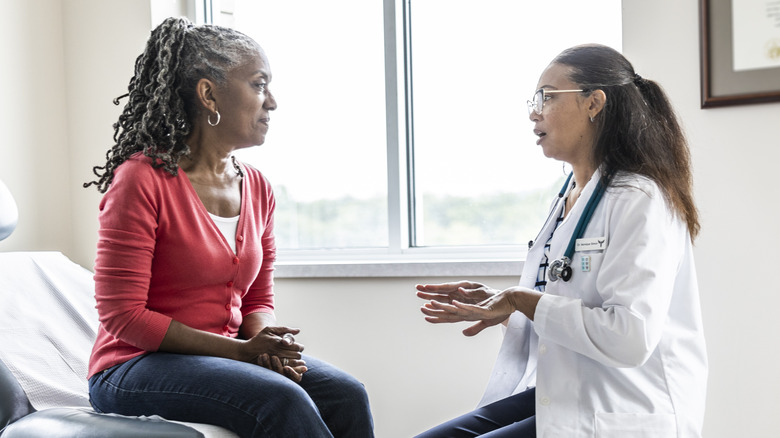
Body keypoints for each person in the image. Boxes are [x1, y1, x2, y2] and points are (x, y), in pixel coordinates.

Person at [83, 17, 374, 438]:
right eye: (258, 84)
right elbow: (122, 316)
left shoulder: (257, 186)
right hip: (132, 366)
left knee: (347, 394)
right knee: (281, 398)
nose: (271, 102)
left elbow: (257, 296)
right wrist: (241, 352)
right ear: (208, 94)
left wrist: (265, 344)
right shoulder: (140, 180)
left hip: (225, 355)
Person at [414, 44, 707, 437]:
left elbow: (629, 337)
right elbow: (568, 300)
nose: (535, 112)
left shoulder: (639, 199)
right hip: (569, 389)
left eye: (547, 97)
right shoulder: (572, 192)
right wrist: (505, 306)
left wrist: (521, 299)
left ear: (594, 103)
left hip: (623, 404)